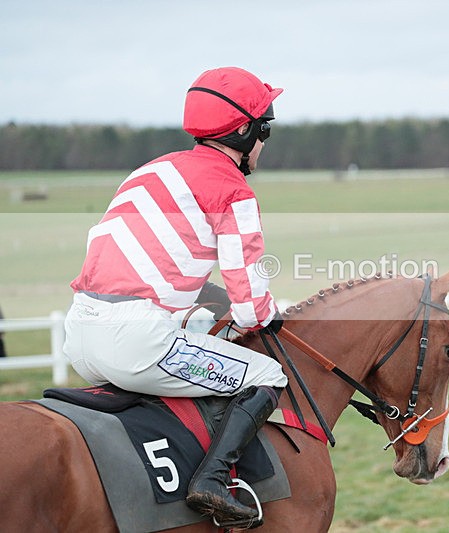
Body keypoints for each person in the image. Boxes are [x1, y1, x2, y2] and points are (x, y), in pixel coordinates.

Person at [63, 66, 288, 525]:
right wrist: (265, 316)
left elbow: (141, 262)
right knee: (268, 375)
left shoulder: (152, 170)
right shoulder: (233, 190)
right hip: (136, 343)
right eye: (264, 130)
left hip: (80, 338)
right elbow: (251, 309)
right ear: (245, 131)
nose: (264, 144)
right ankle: (211, 481)